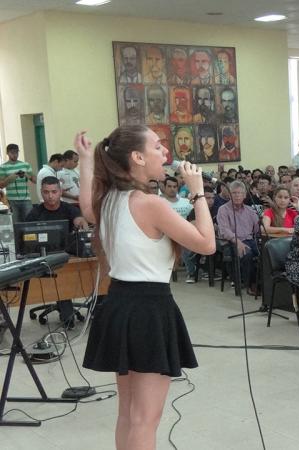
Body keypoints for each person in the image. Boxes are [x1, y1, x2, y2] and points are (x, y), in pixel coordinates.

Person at [77, 126, 215, 449]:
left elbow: (85, 207)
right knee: (145, 420)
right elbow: (207, 243)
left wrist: (85, 160)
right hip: (149, 311)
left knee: (128, 415)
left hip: (120, 305)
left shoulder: (110, 200)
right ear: (137, 157)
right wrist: (197, 193)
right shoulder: (149, 204)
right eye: (157, 146)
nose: (165, 151)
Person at [217, 180, 260, 296]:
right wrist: (238, 242)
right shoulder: (223, 210)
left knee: (265, 253)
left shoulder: (250, 210)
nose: (237, 195)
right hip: (231, 242)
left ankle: (261, 283)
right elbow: (224, 231)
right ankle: (249, 284)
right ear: (229, 194)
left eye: (240, 193)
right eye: (234, 193)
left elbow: (257, 228)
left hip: (250, 240)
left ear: (245, 195)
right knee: (247, 254)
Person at [0, 144, 35, 223]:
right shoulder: (3, 167)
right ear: (7, 153)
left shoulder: (25, 165)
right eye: (12, 152)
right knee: (15, 223)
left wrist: (27, 175)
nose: (15, 155)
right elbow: (1, 185)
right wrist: (10, 178)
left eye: (16, 152)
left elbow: (35, 180)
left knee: (30, 222)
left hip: (26, 199)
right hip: (12, 200)